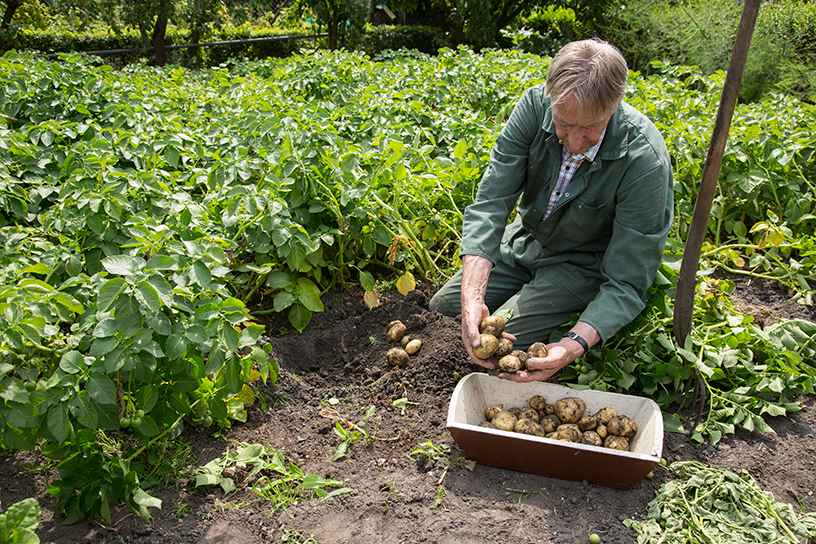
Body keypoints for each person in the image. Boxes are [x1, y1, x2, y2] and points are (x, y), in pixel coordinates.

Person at [429, 39, 673, 383]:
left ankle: (553, 306)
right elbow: (491, 203)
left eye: (589, 127)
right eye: (563, 123)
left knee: (502, 345)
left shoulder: (644, 161)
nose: (574, 141)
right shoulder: (533, 108)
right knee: (447, 312)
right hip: (523, 244)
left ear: (614, 106)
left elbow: (628, 281)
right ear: (551, 99)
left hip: (580, 266)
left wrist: (574, 345)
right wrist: (472, 295)